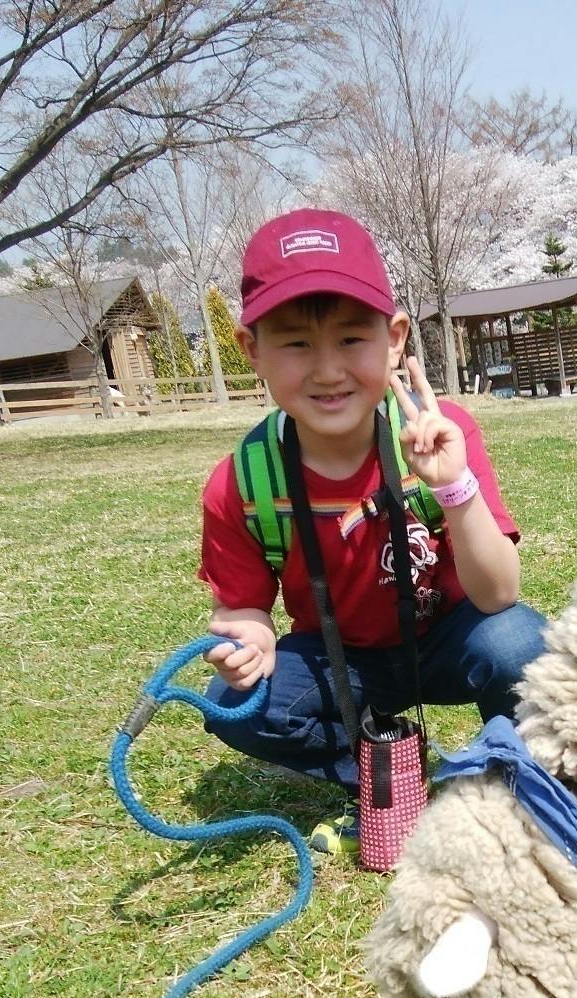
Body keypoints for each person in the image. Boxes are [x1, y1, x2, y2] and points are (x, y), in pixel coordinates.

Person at [198, 209, 548, 856]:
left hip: (446, 639)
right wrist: (247, 636)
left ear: (394, 338)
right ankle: (385, 769)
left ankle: (515, 778)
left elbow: (498, 594)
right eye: (297, 344)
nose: (328, 370)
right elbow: (242, 605)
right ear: (252, 350)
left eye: (351, 340)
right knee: (232, 701)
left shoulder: (445, 433)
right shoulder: (242, 480)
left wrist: (452, 486)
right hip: (341, 662)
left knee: (523, 643)